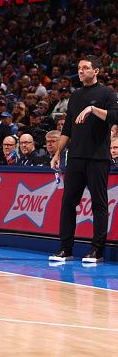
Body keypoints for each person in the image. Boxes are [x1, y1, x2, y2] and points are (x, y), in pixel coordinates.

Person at [50, 55, 118, 263]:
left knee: (99, 204)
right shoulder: (76, 95)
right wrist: (57, 152)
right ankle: (65, 249)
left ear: (96, 71)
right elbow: (68, 128)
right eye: (79, 68)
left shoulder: (107, 93)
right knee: (68, 202)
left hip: (98, 157)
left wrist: (92, 109)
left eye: (86, 68)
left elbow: (115, 117)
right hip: (76, 158)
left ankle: (96, 251)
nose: (80, 71)